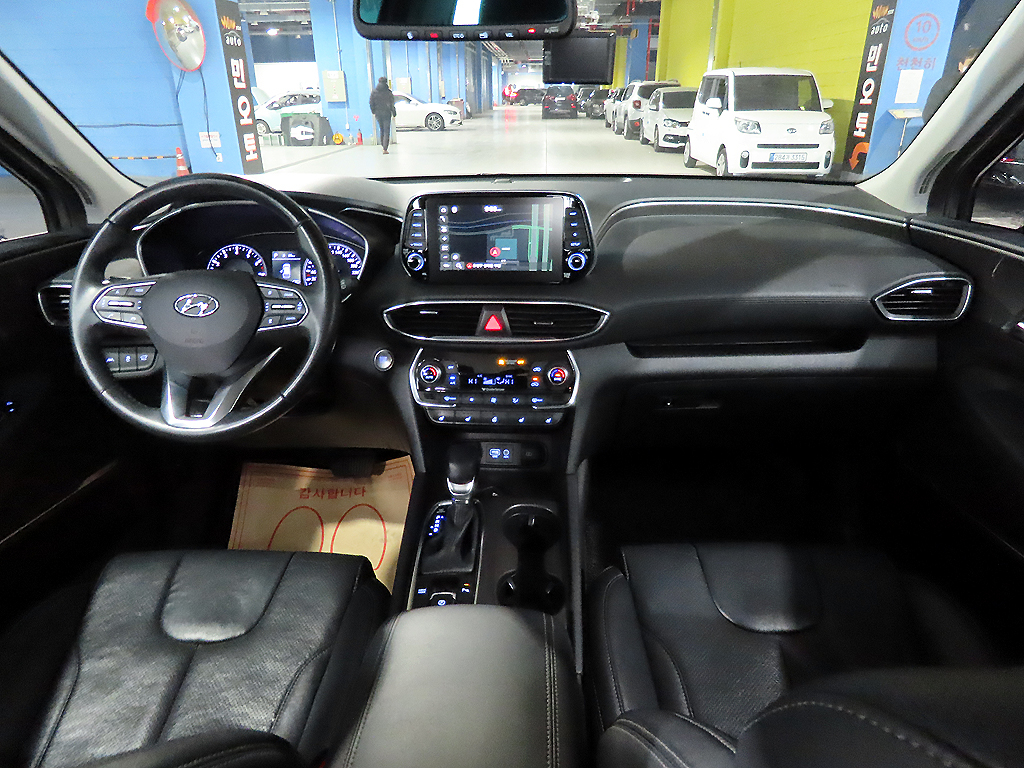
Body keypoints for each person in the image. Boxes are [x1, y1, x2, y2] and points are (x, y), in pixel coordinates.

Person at [923, 47, 981, 123]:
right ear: (960, 66)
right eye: (970, 63)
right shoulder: (944, 84)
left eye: (977, 63)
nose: (973, 67)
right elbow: (929, 114)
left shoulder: (986, 83)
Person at [369, 76, 396, 154]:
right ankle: (385, 148)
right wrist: (394, 112)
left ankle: (382, 145)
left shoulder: (374, 92)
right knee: (386, 130)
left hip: (378, 113)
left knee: (381, 129)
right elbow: (391, 103)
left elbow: (371, 103)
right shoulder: (388, 92)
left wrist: (373, 111)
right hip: (387, 113)